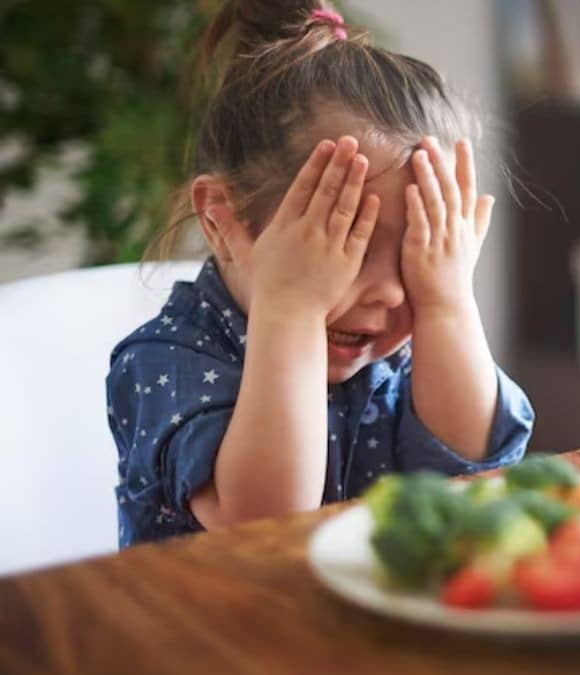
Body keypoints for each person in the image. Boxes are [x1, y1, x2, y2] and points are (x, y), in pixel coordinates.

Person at [106, 0, 533, 547]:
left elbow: (474, 470)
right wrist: (293, 310)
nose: (387, 290)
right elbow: (263, 524)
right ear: (224, 218)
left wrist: (447, 302)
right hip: (208, 627)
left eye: (417, 254)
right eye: (346, 247)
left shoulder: (405, 340)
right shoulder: (167, 359)